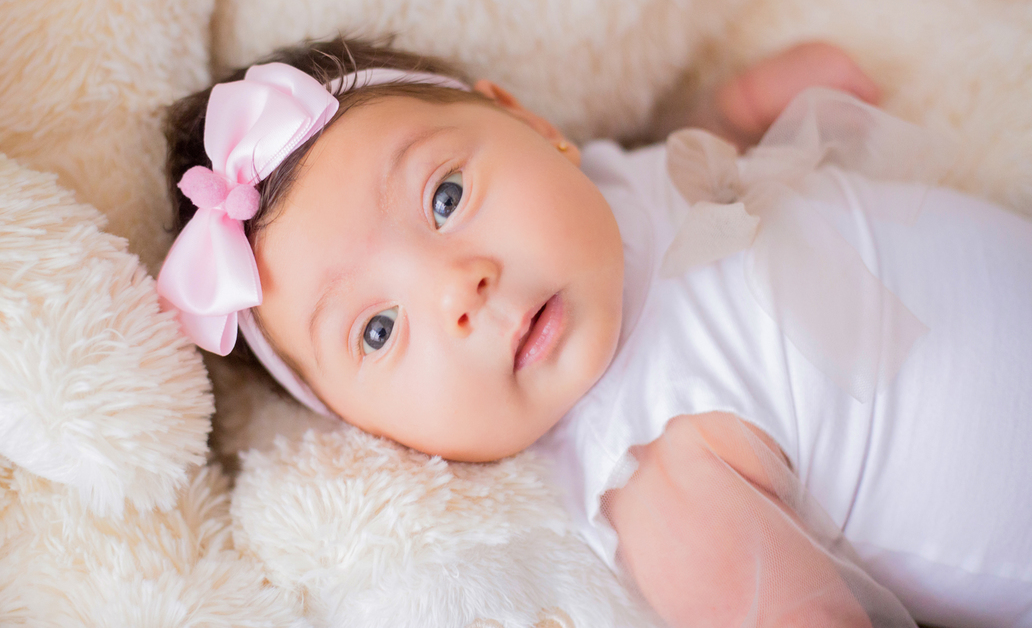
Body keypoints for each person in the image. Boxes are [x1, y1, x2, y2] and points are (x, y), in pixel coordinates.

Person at [157, 37, 1032, 628]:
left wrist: (737, 110)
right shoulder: (651, 469)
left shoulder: (612, 193)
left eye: (445, 197)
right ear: (379, 437)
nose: (461, 287)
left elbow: (695, 171)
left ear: (535, 127)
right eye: (379, 331)